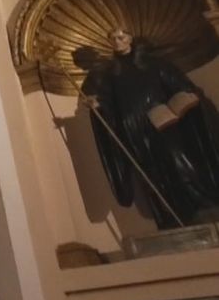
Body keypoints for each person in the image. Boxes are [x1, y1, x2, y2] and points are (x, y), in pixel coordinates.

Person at [80, 29, 219, 228]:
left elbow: (180, 85)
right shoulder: (110, 74)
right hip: (135, 131)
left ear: (130, 38)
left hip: (166, 124)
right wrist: (97, 106)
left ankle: (202, 206)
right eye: (113, 39)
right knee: (154, 173)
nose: (117, 42)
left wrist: (185, 98)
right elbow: (109, 104)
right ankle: (172, 217)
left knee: (180, 162)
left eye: (121, 37)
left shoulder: (156, 64)